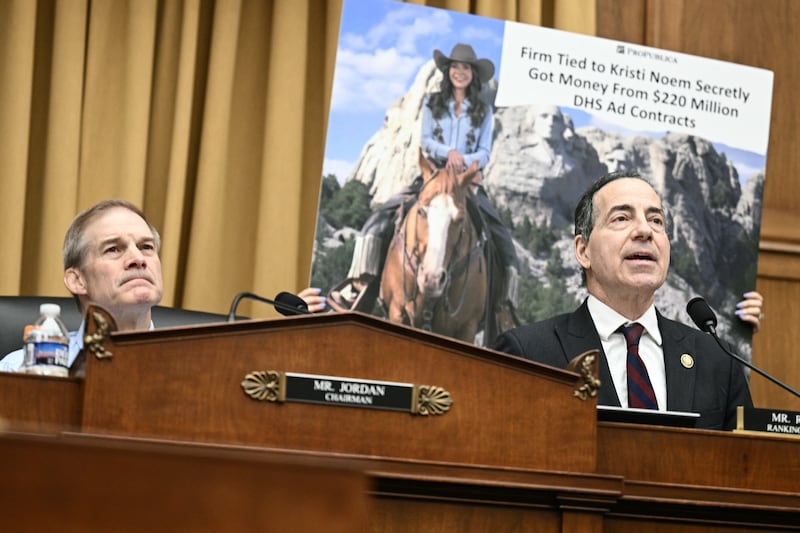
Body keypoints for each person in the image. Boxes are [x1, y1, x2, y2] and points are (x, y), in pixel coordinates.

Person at [492, 171, 754, 431]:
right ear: (583, 251)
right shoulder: (527, 354)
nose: (644, 231)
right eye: (621, 218)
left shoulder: (719, 360)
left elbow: (747, 465)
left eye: (656, 220)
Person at [0, 199, 326, 372]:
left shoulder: (202, 372)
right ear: (76, 279)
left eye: (146, 247)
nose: (137, 258)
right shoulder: (19, 370)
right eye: (114, 249)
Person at [329, 43, 520, 317]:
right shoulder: (433, 103)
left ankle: (502, 313)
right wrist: (449, 152)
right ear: (448, 71)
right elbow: (427, 141)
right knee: (378, 221)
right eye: (455, 66)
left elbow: (485, 151)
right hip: (432, 176)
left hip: (466, 182)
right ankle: (360, 286)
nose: (460, 72)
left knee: (503, 241)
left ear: (473, 74)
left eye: (466, 67)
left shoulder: (483, 112)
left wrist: (465, 161)